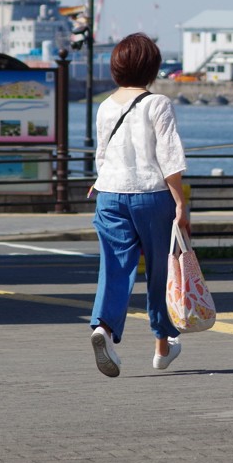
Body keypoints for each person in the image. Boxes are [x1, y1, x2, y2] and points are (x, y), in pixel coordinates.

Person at [88, 33, 189, 377]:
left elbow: (103, 154)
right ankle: (162, 344)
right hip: (151, 194)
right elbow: (169, 156)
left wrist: (103, 181)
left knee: (115, 268)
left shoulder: (105, 106)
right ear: (152, 67)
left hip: (109, 194)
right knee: (162, 271)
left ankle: (103, 329)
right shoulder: (157, 103)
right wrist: (180, 202)